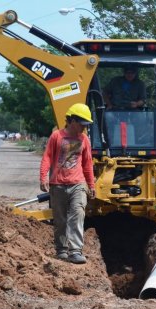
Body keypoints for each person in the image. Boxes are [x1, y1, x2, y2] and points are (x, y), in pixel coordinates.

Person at [40, 103, 96, 264]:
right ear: (71, 120)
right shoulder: (57, 136)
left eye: (86, 125)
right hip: (57, 184)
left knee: (78, 213)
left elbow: (87, 163)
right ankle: (61, 249)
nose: (84, 128)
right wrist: (43, 177)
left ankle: (76, 250)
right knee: (60, 219)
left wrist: (91, 185)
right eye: (82, 124)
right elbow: (47, 157)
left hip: (78, 183)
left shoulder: (84, 139)